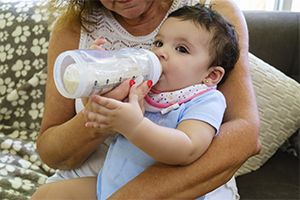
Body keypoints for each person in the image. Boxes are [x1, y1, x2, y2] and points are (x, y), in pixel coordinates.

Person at [34, 0, 260, 199]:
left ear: (211, 75)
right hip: (111, 179)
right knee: (46, 195)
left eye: (181, 49)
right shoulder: (147, 88)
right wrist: (95, 77)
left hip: (176, 185)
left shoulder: (204, 100)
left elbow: (189, 147)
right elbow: (56, 144)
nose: (160, 53)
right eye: (158, 43)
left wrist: (133, 125)